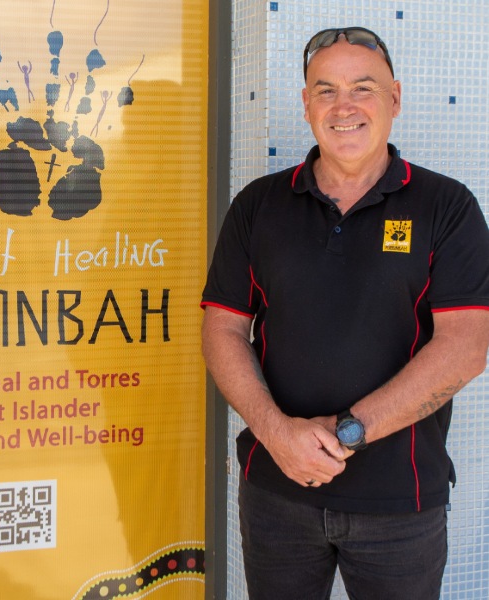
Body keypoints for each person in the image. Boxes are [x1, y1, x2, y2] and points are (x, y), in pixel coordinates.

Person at [201, 27, 489, 599]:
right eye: (325, 90)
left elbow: (466, 346)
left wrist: (345, 435)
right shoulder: (257, 205)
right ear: (306, 104)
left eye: (364, 88)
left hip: (399, 505)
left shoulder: (446, 206)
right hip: (276, 496)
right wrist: (277, 434)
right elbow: (223, 328)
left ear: (395, 99)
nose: (344, 106)